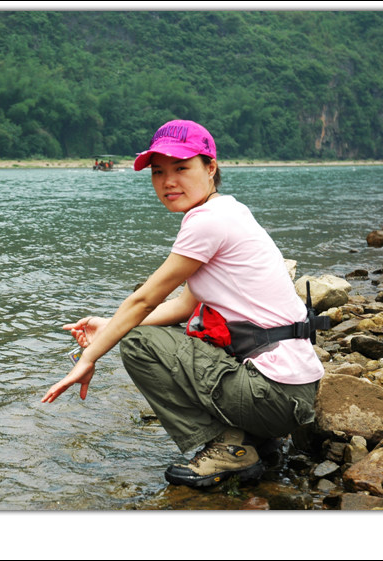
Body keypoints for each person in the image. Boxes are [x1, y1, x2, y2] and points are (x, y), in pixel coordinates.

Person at [42, 119, 325, 488]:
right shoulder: (229, 210)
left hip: (274, 395)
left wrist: (90, 357)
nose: (168, 182)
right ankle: (253, 439)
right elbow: (184, 305)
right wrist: (109, 324)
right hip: (291, 393)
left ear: (210, 168)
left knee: (138, 342)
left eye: (181, 168)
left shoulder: (207, 221)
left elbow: (145, 299)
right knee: (140, 331)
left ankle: (229, 448)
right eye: (158, 172)